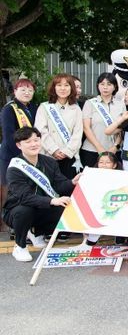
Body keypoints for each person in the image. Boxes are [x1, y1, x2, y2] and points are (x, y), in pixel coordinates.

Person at [3, 127, 79, 262]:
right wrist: (52, 201)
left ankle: (36, 232)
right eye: (28, 142)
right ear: (19, 145)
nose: (33, 144)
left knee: (65, 211)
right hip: (17, 210)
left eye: (36, 140)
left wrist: (72, 182)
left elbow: (59, 185)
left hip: (42, 208)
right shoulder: (15, 168)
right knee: (24, 210)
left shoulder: (49, 162)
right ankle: (20, 246)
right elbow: (25, 197)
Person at [34, 74, 84, 179]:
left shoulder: (76, 109)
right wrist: (54, 150)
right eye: (59, 85)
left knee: (68, 185)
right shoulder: (44, 107)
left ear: (71, 88)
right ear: (54, 87)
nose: (63, 88)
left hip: (69, 156)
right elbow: (40, 131)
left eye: (66, 85)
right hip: (48, 155)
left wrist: (66, 152)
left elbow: (78, 133)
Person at [1, 79, 38, 218]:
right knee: (8, 188)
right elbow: (9, 135)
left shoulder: (34, 108)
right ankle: (6, 221)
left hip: (30, 153)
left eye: (30, 90)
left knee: (27, 188)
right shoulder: (9, 109)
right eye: (23, 89)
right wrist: (22, 155)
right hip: (12, 154)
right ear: (15, 91)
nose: (27, 93)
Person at [81, 73, 125, 168]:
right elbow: (86, 127)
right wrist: (99, 148)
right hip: (91, 150)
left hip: (114, 152)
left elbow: (122, 129)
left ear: (115, 87)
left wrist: (116, 146)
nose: (105, 87)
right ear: (98, 86)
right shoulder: (90, 103)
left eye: (109, 84)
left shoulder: (121, 105)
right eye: (102, 84)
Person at [84, 151, 120, 247]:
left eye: (108, 162)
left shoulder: (120, 177)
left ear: (114, 165)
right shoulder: (91, 176)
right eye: (101, 162)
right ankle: (91, 240)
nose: (104, 165)